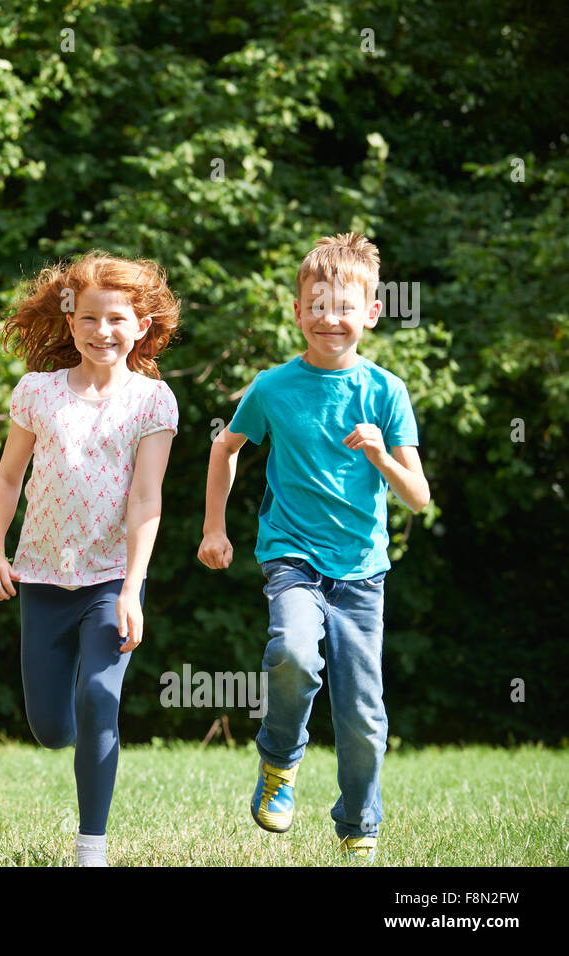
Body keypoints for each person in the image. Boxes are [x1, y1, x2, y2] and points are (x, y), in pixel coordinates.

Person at [197, 233, 430, 862]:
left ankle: (359, 825)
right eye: (318, 305)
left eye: (346, 306)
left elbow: (417, 496)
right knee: (294, 652)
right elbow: (226, 448)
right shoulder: (273, 387)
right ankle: (279, 761)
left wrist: (381, 453)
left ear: (371, 313)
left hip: (361, 573)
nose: (332, 318)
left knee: (362, 716)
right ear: (298, 311)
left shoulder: (387, 392)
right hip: (291, 554)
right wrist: (214, 528)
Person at [0, 252, 179, 867]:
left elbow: (147, 497)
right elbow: (8, 477)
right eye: (90, 319)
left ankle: (91, 845)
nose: (102, 331)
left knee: (99, 696)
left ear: (141, 327)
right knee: (50, 728)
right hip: (40, 577)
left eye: (117, 319)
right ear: (71, 324)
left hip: (111, 579)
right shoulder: (37, 392)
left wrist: (132, 588)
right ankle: (63, 730)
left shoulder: (154, 401)